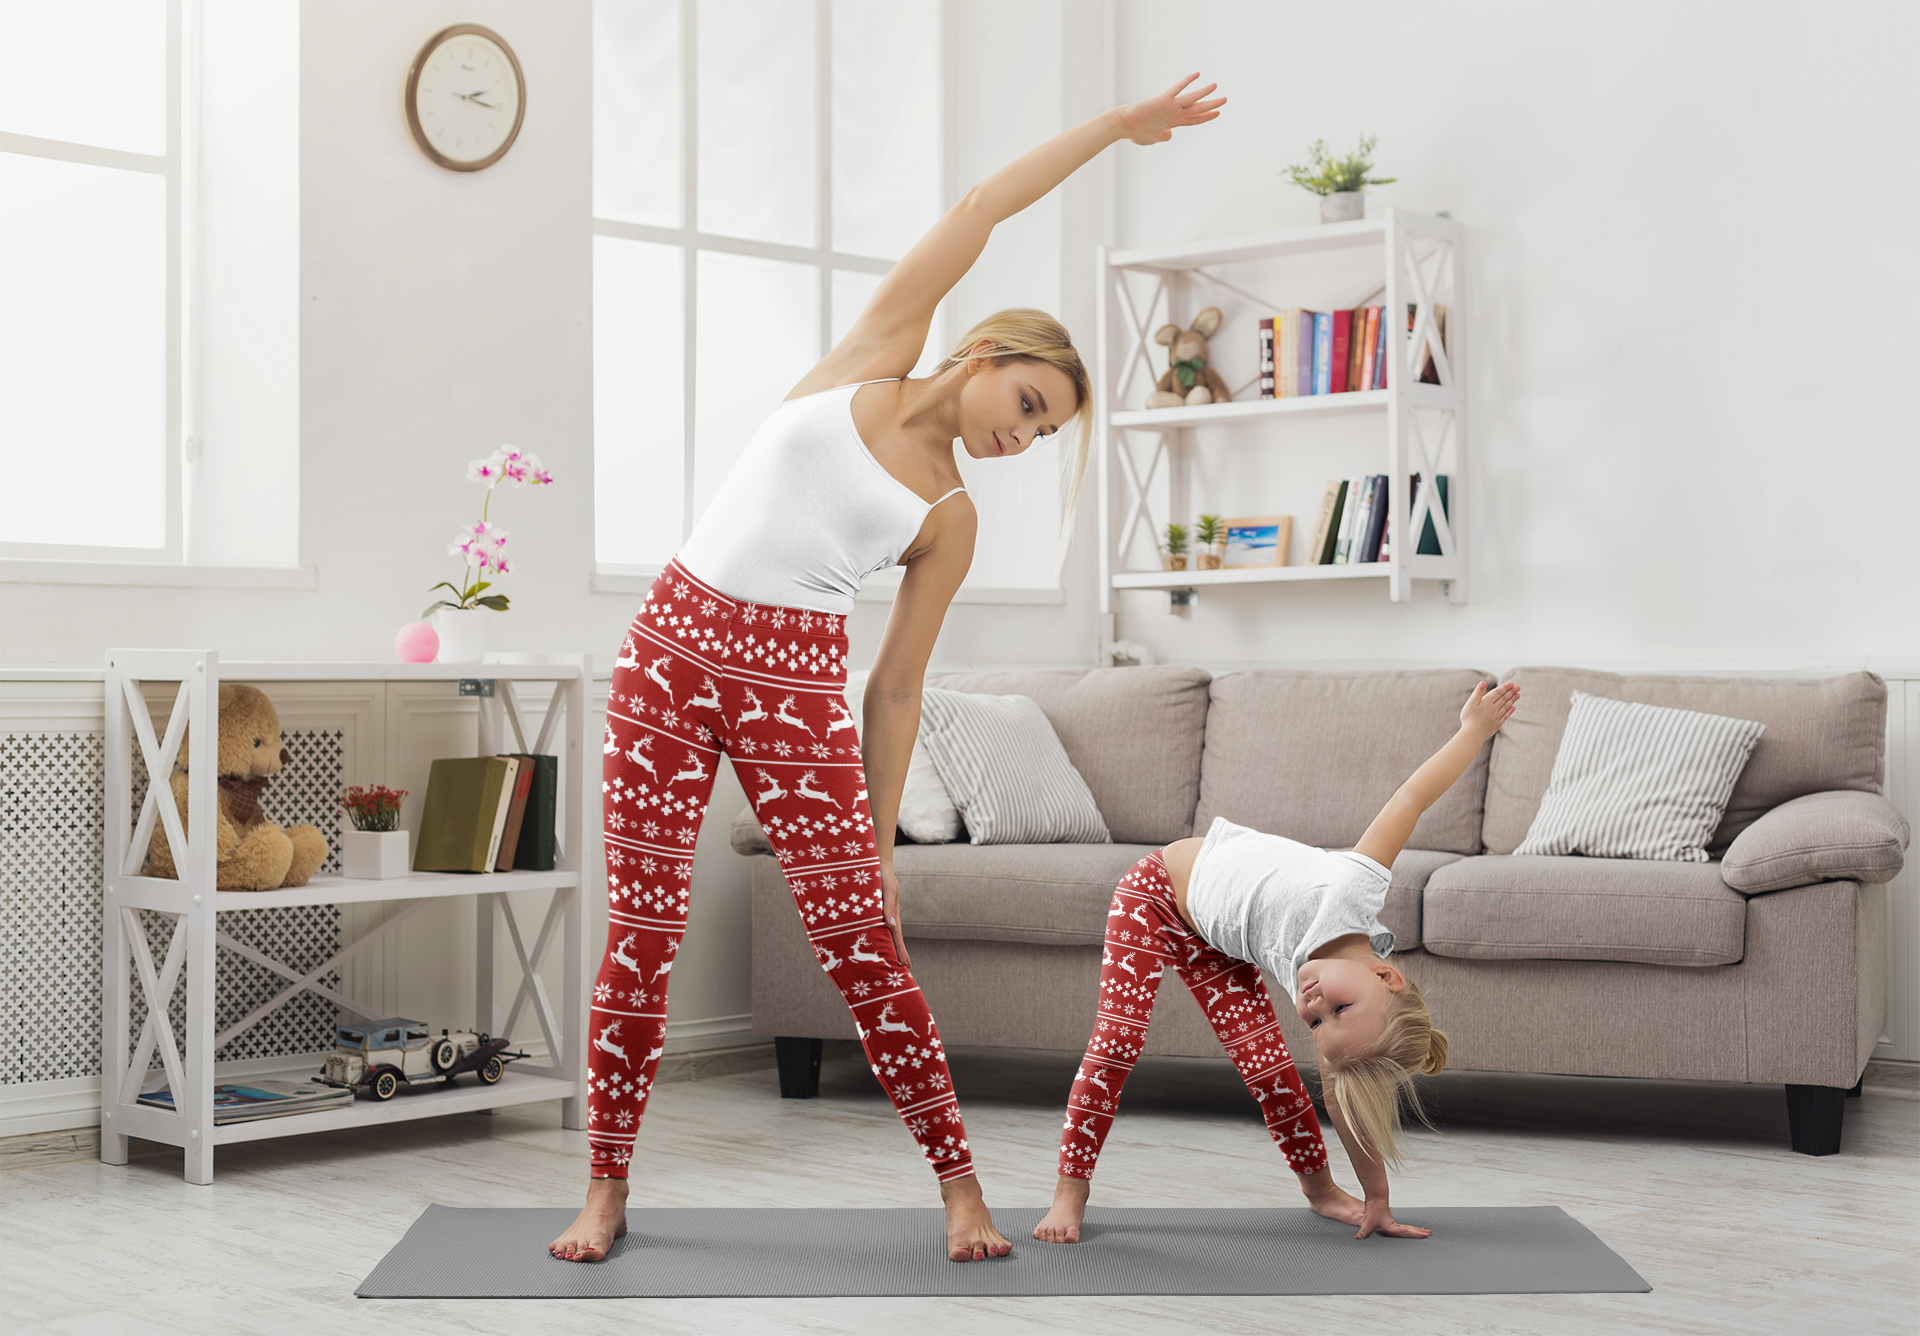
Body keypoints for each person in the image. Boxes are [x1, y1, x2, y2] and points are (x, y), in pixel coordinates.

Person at [549, 74, 1229, 1265]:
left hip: (795, 685)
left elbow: (897, 686)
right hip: (666, 651)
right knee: (639, 937)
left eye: (1039, 433)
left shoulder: (951, 516)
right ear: (984, 354)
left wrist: (874, 840)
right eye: (1024, 403)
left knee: (864, 941)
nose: (1018, 437)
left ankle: (961, 1187)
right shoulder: (872, 351)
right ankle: (605, 1186)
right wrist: (1117, 129)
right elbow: (980, 205)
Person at [1033, 680, 1521, 1245]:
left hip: (1217, 941)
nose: (1314, 1009)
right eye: (1338, 1008)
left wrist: (1378, 1197)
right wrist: (1472, 733)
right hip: (1155, 895)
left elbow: (1344, 1096)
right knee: (1118, 1043)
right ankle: (1071, 1192)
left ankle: (1320, 1191)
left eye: (1319, 1024)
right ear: (1386, 974)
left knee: (1272, 1073)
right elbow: (1410, 798)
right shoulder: (1352, 891)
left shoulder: (1330, 986)